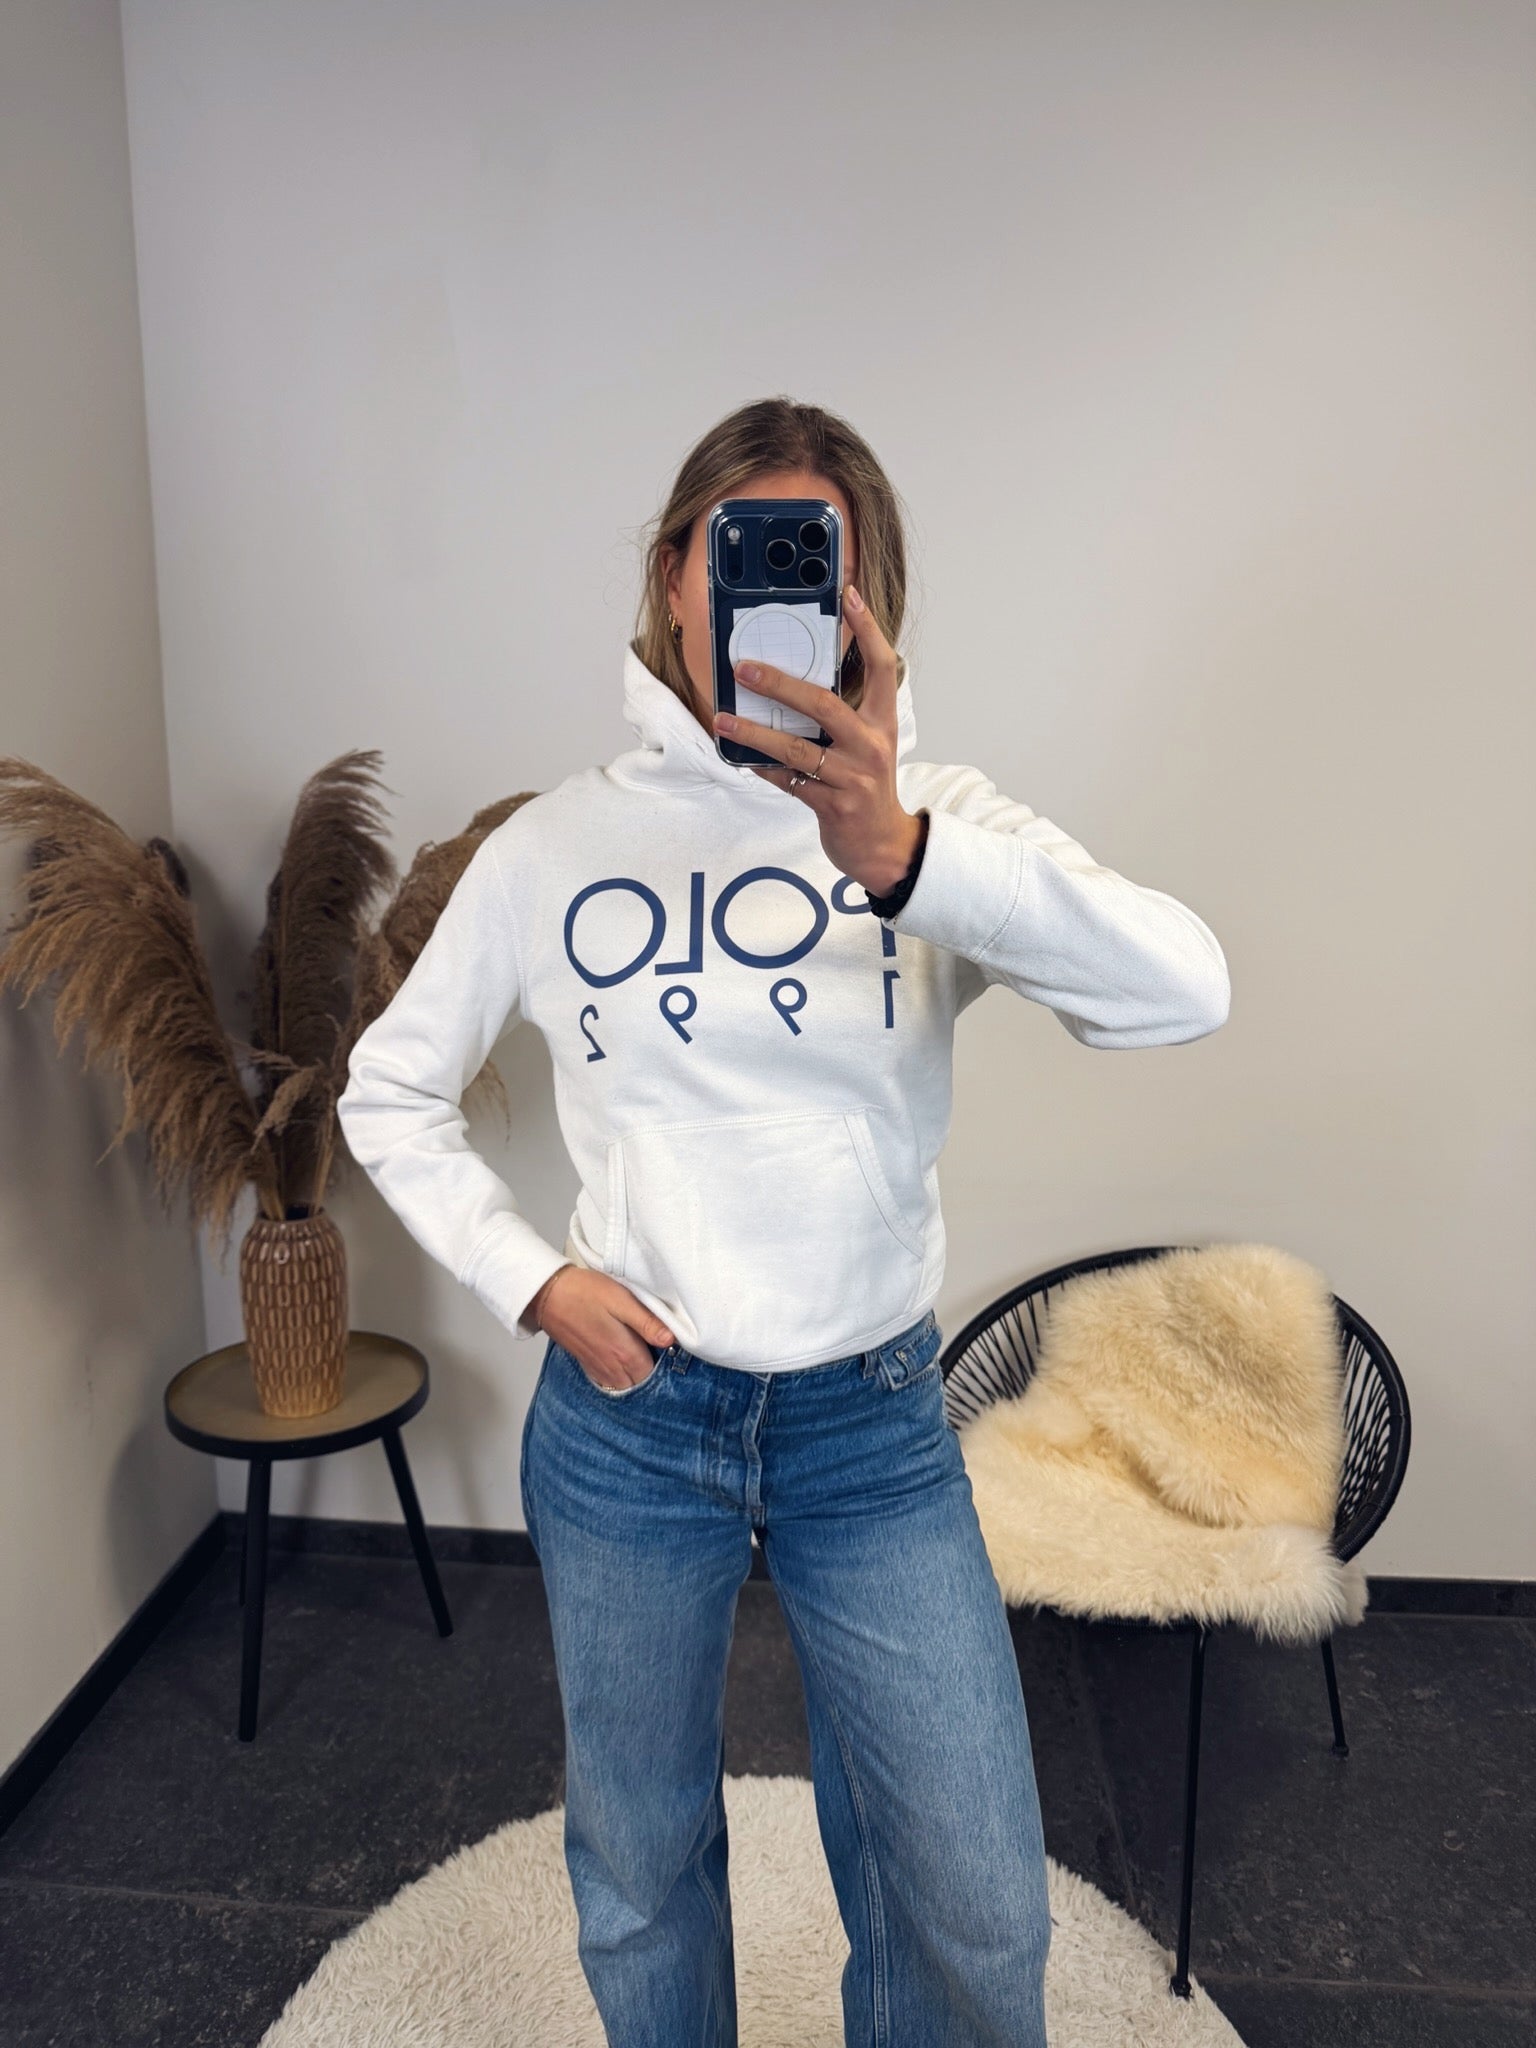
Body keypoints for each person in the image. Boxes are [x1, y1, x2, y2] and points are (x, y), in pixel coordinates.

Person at [337, 395, 1231, 2046]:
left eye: (811, 558)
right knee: (639, 1859)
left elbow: (1184, 990)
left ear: (860, 603)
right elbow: (387, 1088)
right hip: (630, 1427)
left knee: (972, 1895)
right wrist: (534, 1279)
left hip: (867, 1426)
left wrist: (904, 855)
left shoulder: (939, 822)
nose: (761, 590)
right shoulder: (557, 845)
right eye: (730, 548)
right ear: (675, 578)